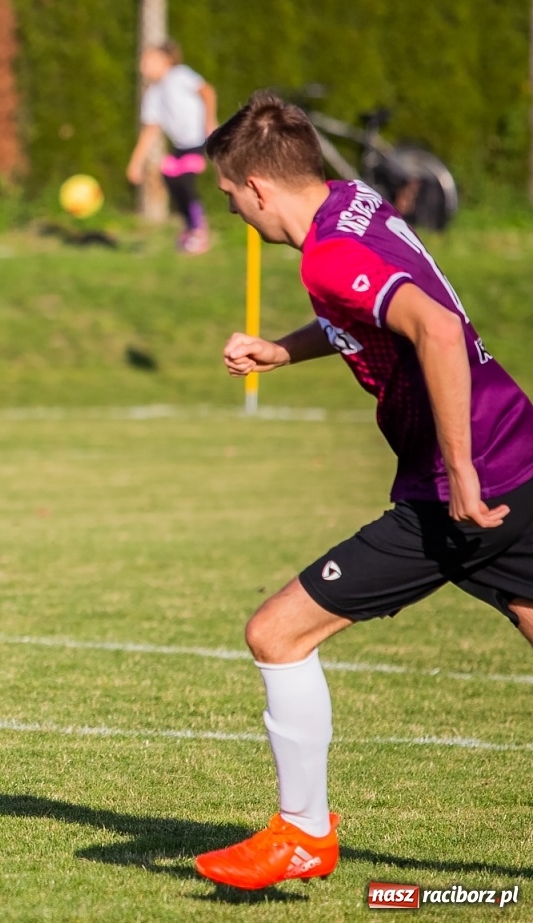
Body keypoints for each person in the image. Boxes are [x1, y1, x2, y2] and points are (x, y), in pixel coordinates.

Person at [194, 92, 533, 890]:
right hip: (520, 447)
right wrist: (284, 350)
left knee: (277, 634)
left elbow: (437, 330)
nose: (238, 214)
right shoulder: (354, 204)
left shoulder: (325, 256)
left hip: (460, 488)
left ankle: (304, 833)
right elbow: (372, 313)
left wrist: (461, 477)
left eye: (231, 197)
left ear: (258, 189)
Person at [126, 41, 217, 253]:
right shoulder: (153, 94)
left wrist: (210, 122)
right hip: (181, 145)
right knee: (169, 176)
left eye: (148, 61)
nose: (142, 66)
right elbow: (150, 131)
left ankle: (200, 232)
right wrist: (135, 164)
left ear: (165, 61)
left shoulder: (181, 75)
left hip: (199, 140)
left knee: (185, 180)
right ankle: (190, 227)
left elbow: (208, 92)